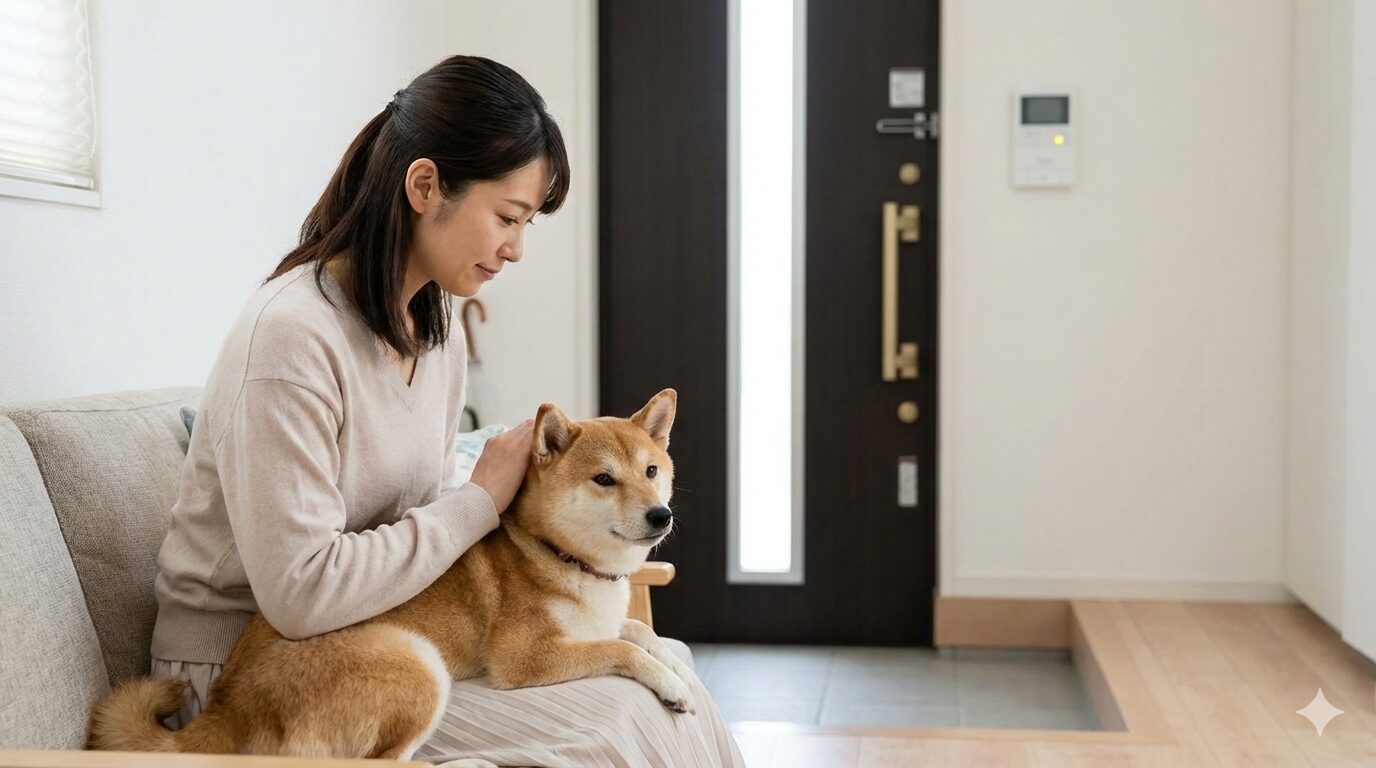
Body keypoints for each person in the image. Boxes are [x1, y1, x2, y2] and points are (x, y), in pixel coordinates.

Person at [149, 54, 744, 767]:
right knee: (611, 726)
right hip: (256, 681)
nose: (516, 249)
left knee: (664, 678)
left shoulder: (434, 328)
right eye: (507, 217)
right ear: (425, 185)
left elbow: (416, 520)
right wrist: (481, 500)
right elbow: (301, 594)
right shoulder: (291, 338)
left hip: (376, 633)